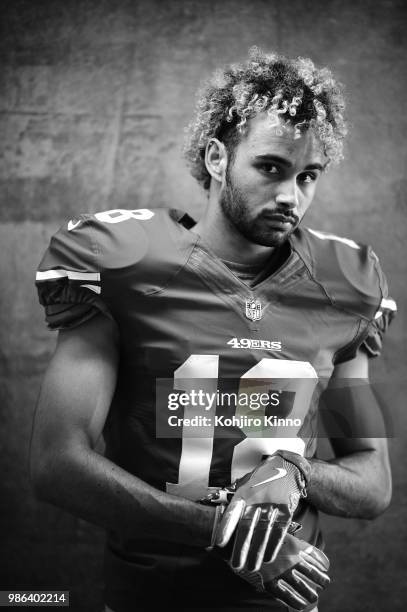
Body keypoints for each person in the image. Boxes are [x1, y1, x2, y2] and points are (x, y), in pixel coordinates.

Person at [30, 47, 396, 612]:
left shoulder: (346, 284)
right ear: (217, 156)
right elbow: (56, 463)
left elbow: (373, 482)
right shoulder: (126, 262)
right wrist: (230, 528)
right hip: (148, 597)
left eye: (308, 176)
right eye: (270, 167)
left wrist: (295, 471)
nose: (289, 196)